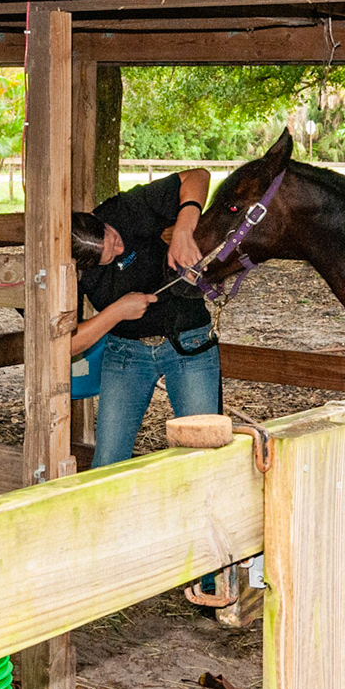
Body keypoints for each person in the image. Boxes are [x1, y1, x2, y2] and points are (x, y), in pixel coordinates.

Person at [69, 168, 220, 467]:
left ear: (101, 221)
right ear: (81, 268)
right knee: (108, 462)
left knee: (203, 456)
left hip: (188, 340)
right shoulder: (65, 270)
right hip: (125, 352)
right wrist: (116, 312)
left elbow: (198, 177)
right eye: (110, 255)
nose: (120, 246)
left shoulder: (122, 210)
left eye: (113, 237)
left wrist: (182, 230)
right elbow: (67, 346)